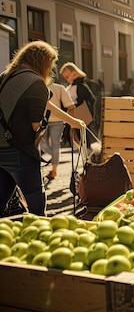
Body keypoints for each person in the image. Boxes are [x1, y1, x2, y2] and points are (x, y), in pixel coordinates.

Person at [0, 41, 85, 216]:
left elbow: (45, 104)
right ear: (43, 63)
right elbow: (36, 126)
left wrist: (72, 121)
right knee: (36, 203)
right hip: (20, 151)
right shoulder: (36, 83)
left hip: (1, 149)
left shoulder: (5, 77)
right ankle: (40, 237)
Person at [39, 82, 75, 181]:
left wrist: (70, 122)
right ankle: (54, 156)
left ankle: (54, 171)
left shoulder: (58, 88)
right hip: (43, 121)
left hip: (56, 121)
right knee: (45, 145)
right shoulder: (38, 86)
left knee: (52, 144)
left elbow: (70, 106)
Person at [59, 62, 99, 145]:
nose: (67, 79)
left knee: (84, 139)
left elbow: (91, 99)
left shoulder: (80, 85)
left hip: (81, 115)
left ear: (74, 73)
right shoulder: (73, 86)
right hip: (77, 115)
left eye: (67, 76)